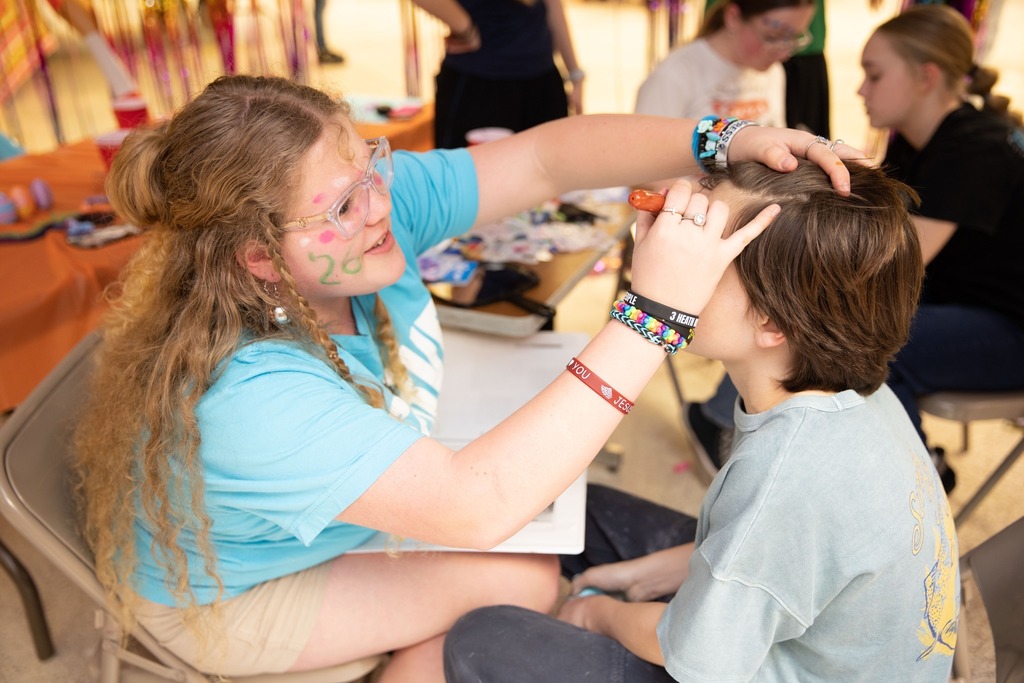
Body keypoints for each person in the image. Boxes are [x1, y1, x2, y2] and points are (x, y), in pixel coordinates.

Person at [70, 74, 853, 682]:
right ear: (259, 259)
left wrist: (724, 139)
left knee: (539, 536)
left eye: (371, 166)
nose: (380, 204)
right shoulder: (244, 394)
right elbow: (476, 506)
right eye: (344, 203)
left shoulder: (363, 214)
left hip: (310, 527)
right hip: (227, 597)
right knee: (522, 574)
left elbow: (546, 158)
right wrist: (652, 312)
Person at [445, 160, 960, 683]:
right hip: (804, 601)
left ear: (774, 321)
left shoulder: (786, 478)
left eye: (702, 257)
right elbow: (759, 550)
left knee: (482, 640)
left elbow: (699, 658)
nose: (672, 262)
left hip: (726, 664)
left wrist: (597, 613)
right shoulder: (858, 394)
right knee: (588, 509)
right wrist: (634, 576)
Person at [686, 4, 1024, 490]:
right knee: (802, 306)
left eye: (874, 75)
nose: (860, 89)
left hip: (1008, 328)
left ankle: (911, 483)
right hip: (958, 298)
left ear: (926, 77)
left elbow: (879, 269)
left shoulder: (974, 149)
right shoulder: (918, 137)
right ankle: (729, 422)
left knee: (859, 334)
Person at [412, 0, 585, 148]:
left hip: (542, 81)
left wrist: (574, 72)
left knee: (551, 178)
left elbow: (552, 5)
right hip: (479, 83)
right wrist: (465, 27)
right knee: (469, 179)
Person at [636, 0, 816, 128]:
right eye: (773, 37)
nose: (784, 53)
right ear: (733, 17)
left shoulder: (772, 71)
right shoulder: (673, 75)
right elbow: (641, 166)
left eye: (794, 39)